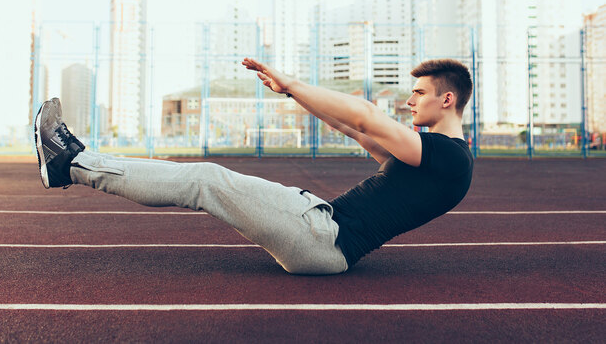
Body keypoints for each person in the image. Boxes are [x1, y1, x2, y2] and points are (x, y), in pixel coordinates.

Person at [34, 58, 474, 275]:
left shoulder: (448, 155)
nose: (409, 100)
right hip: (321, 231)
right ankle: (73, 163)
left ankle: (71, 164)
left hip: (324, 239)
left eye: (418, 93)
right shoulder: (435, 157)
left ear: (446, 99)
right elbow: (357, 131)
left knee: (205, 180)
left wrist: (292, 82)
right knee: (206, 181)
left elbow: (365, 115)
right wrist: (291, 95)